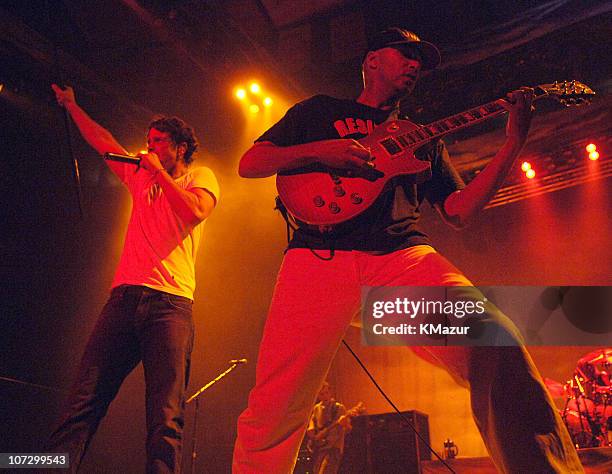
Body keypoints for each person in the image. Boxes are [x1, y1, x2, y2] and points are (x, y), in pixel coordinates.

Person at [231, 28, 583, 473]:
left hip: (400, 259)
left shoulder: (421, 136)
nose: (416, 64)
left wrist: (513, 142)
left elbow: (458, 211)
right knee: (276, 404)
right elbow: (251, 163)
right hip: (317, 257)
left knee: (495, 338)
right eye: (407, 54)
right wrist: (326, 150)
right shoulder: (319, 111)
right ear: (372, 60)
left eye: (421, 60)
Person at [47, 84, 219, 473]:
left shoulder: (200, 175)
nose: (150, 146)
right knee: (82, 401)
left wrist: (158, 172)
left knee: (165, 414)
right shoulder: (140, 178)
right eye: (149, 141)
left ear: (180, 148)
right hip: (123, 299)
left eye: (159, 141)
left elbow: (194, 211)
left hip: (170, 305)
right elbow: (103, 140)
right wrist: (73, 106)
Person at [305, 382, 353, 474]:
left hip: (334, 447)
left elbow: (349, 429)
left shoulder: (339, 408)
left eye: (326, 393)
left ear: (330, 393)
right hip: (320, 448)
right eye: (322, 394)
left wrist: (345, 424)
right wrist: (311, 430)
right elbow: (312, 422)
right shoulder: (316, 408)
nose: (325, 396)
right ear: (318, 395)